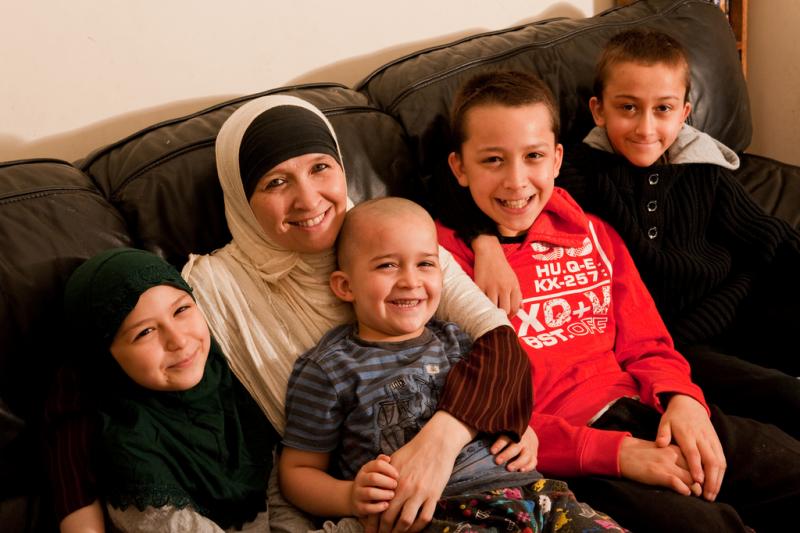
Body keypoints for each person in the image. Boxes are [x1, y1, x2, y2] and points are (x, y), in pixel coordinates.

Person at [48, 94, 535, 533]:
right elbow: (84, 381)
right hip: (360, 505)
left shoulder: (394, 239)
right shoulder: (212, 290)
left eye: (321, 168)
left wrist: (470, 426)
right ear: (241, 198)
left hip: (478, 472)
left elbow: (497, 341)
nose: (308, 199)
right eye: (276, 181)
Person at [435, 69, 800, 532]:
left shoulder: (592, 231)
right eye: (492, 160)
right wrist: (617, 454)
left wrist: (682, 399)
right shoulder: (438, 267)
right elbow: (478, 420)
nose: (516, 180)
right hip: (576, 454)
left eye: (533, 157)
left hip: (651, 407)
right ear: (459, 168)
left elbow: (647, 342)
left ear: (556, 159)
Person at [459, 29, 800, 439]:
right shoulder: (573, 171)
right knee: (784, 397)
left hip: (741, 302)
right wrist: (484, 242)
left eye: (663, 109)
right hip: (680, 341)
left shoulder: (703, 170)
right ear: (598, 111)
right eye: (628, 108)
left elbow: (770, 238)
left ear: (685, 112)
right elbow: (457, 185)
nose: (645, 127)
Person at [280, 196, 626, 533]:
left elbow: (503, 400)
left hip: (533, 493)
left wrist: (525, 429)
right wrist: (349, 496)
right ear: (345, 285)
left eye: (425, 264)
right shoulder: (329, 367)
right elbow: (297, 472)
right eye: (387, 265)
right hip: (442, 512)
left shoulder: (459, 341)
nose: (411, 281)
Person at [59, 247, 275, 532]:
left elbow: (283, 494)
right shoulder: (133, 458)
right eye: (144, 332)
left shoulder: (235, 381)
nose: (178, 340)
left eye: (182, 310)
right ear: (105, 358)